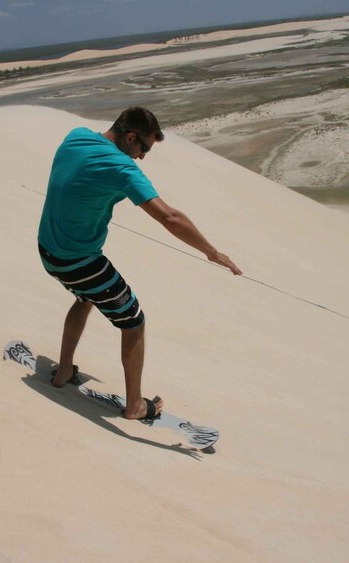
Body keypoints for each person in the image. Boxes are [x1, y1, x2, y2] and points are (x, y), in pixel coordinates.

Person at [38, 107, 242, 420]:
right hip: (77, 260)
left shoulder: (76, 137)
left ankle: (64, 371)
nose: (143, 157)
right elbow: (170, 217)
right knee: (134, 321)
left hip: (48, 249)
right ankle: (134, 406)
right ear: (130, 137)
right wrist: (212, 252)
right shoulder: (122, 167)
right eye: (143, 148)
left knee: (85, 297)